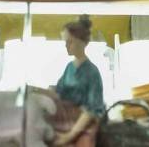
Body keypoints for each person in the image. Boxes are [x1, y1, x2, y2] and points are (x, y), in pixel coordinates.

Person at [33, 16, 105, 147]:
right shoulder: (69, 67)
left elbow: (91, 111)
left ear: (82, 43)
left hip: (83, 127)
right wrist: (35, 89)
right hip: (65, 121)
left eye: (70, 42)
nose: (66, 46)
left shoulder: (92, 72)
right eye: (65, 42)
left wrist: (69, 136)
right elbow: (58, 92)